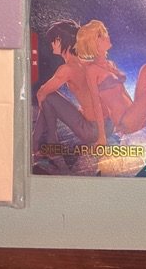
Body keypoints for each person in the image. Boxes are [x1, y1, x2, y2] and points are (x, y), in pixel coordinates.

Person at [76, 19, 146, 136]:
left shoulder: (111, 64)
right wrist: (101, 136)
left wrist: (138, 107)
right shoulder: (92, 70)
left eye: (105, 32)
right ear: (92, 44)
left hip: (134, 114)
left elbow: (122, 92)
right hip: (126, 122)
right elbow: (97, 104)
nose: (106, 36)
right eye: (100, 36)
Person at [32, 20, 106, 172]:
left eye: (53, 40)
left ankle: (40, 145)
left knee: (48, 97)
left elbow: (41, 93)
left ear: (60, 40)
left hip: (91, 130)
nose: (51, 44)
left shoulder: (67, 69)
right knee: (49, 98)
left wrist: (43, 104)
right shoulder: (85, 63)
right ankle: (45, 145)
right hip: (104, 125)